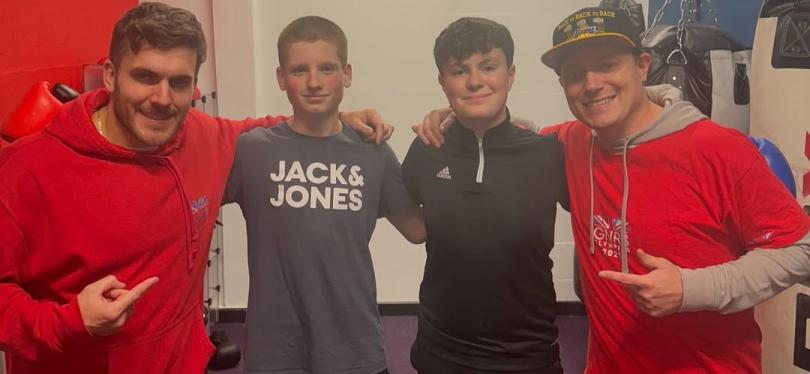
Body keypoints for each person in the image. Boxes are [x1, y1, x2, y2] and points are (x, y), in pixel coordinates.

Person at [414, 6, 810, 374]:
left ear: (642, 65)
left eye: (607, 65)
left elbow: (800, 249)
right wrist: (456, 113)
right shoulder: (572, 145)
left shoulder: (717, 149)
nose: (591, 84)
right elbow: (509, 137)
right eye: (574, 74)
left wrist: (693, 288)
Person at [0, 3, 391, 374]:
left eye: (179, 82)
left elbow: (280, 133)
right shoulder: (29, 167)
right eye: (145, 77)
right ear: (111, 74)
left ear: (195, 87)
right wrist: (67, 321)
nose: (162, 99)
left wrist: (336, 117)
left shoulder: (204, 138)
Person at [223, 16, 425, 374]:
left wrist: (453, 145)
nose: (314, 83)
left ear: (346, 74)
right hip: (276, 352)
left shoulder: (373, 153)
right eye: (299, 70)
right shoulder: (251, 151)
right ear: (281, 78)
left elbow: (418, 230)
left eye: (327, 68)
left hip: (354, 348)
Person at [401, 17, 568, 374]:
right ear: (443, 82)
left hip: (528, 355)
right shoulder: (427, 149)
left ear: (510, 74)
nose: (475, 81)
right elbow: (407, 218)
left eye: (488, 67)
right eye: (459, 71)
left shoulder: (548, 153)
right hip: (441, 352)